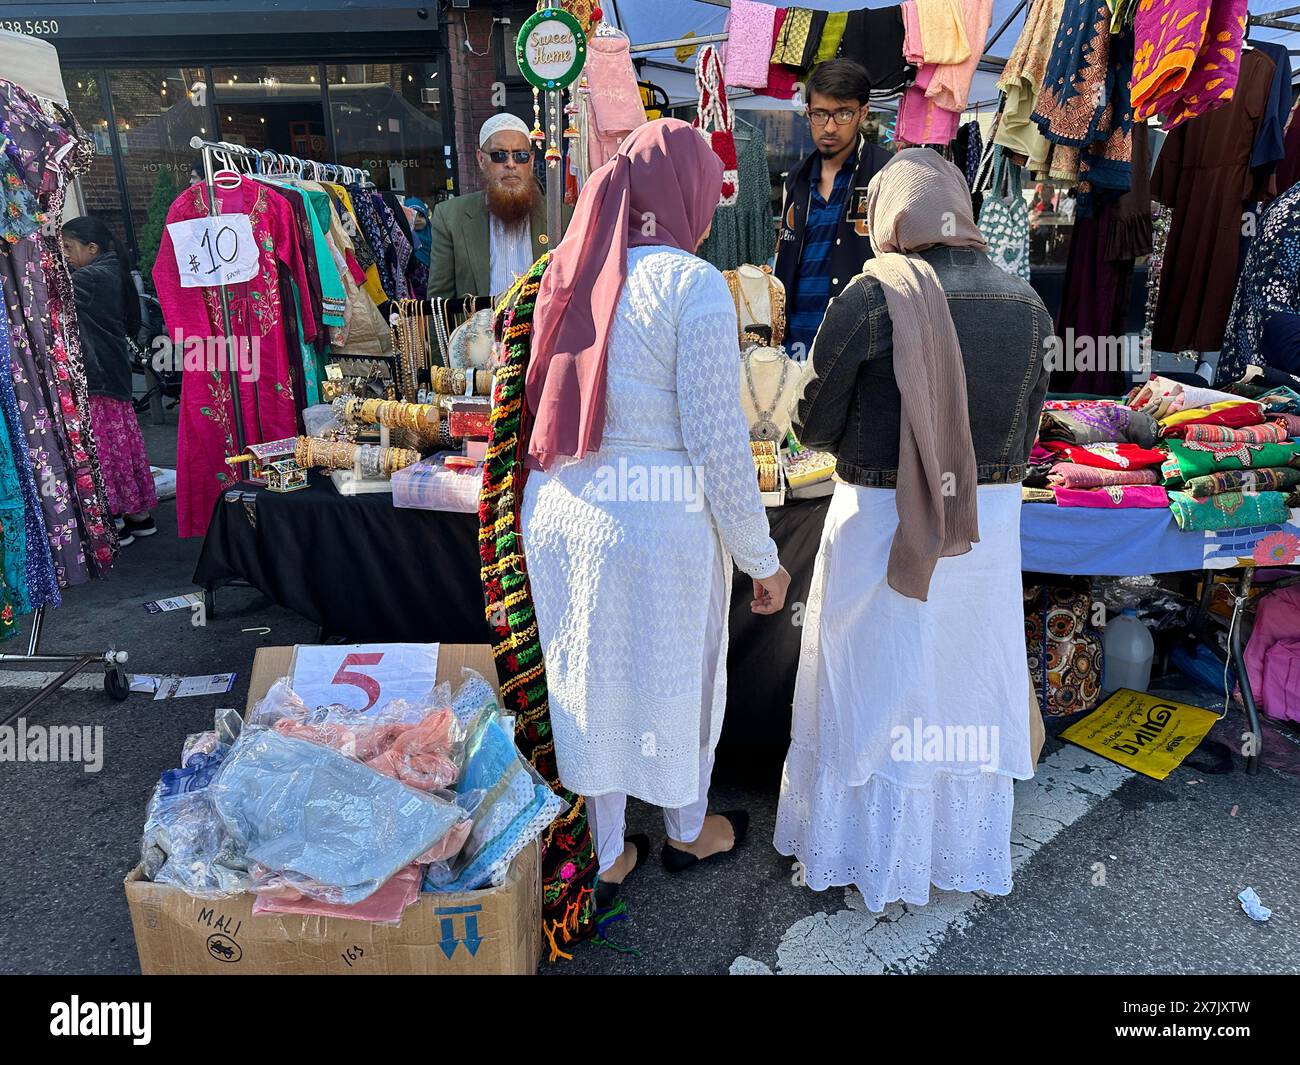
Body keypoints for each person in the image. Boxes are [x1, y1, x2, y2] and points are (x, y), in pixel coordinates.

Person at [521, 119, 792, 907]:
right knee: (678, 676)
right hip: (658, 523)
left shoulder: (568, 267)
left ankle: (607, 852)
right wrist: (760, 557)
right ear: (689, 194)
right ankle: (685, 828)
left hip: (567, 514)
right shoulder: (691, 282)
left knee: (592, 678)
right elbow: (718, 440)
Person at [774, 149, 1051, 912]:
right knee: (958, 684)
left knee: (875, 684)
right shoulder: (1029, 305)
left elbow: (814, 422)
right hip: (984, 527)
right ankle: (946, 850)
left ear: (893, 215)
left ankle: (865, 848)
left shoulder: (872, 295)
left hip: (881, 525)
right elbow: (1028, 434)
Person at [774, 58, 892, 360]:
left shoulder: (886, 172)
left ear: (863, 113)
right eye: (819, 114)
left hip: (858, 341)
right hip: (797, 342)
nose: (829, 127)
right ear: (808, 112)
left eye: (842, 114)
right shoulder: (797, 177)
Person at [62, 216, 158, 544]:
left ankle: (114, 517)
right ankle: (138, 515)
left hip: (98, 375)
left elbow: (46, 295)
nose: (64, 254)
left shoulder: (89, 277)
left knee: (103, 448)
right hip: (111, 372)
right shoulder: (111, 271)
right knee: (122, 445)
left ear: (92, 248)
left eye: (68, 247)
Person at [427, 114, 561, 301]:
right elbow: (438, 304)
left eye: (520, 155)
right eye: (499, 155)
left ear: (530, 161)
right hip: (477, 328)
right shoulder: (450, 217)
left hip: (543, 330)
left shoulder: (562, 216)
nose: (510, 164)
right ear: (481, 159)